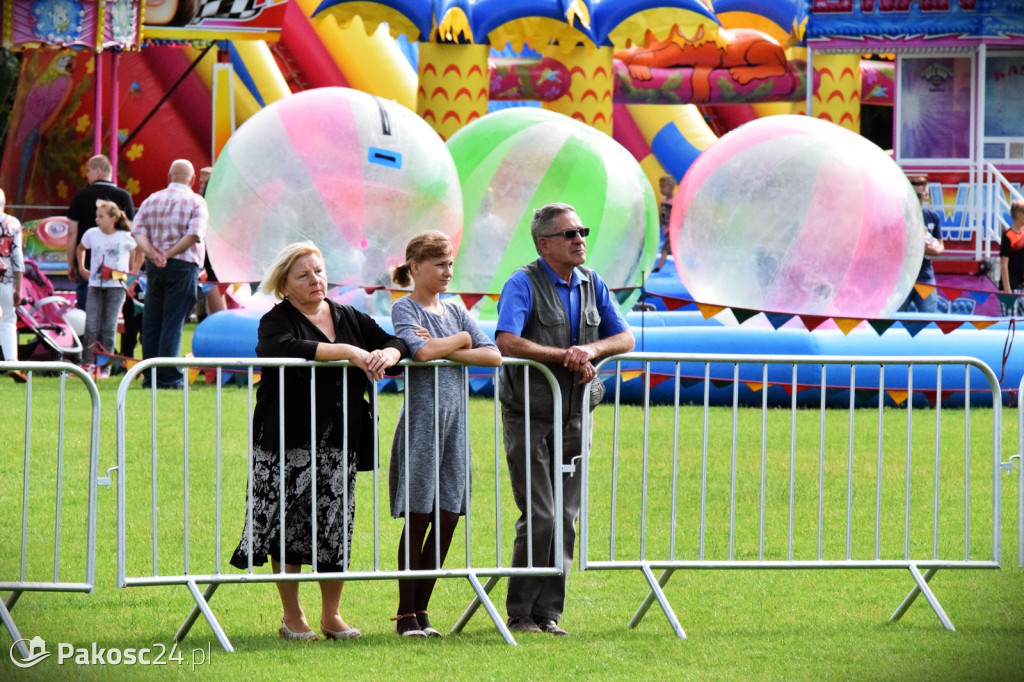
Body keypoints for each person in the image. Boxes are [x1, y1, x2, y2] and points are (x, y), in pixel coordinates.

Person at [229, 241, 409, 641]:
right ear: (284, 284)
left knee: (334, 526)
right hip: (285, 439)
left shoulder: (347, 313)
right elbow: (281, 348)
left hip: (339, 439)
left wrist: (388, 355)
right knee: (284, 526)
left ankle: (332, 616)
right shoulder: (276, 320)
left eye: (320, 270)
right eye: (304, 274)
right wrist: (346, 350)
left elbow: (395, 341)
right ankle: (292, 617)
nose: (315, 280)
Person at [495, 202, 635, 635]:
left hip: (577, 413)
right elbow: (506, 340)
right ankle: (520, 614)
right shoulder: (522, 283)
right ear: (543, 244)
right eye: (570, 234)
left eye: (582, 232)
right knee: (541, 515)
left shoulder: (594, 283)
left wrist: (590, 351)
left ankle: (548, 613)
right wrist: (562, 356)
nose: (580, 240)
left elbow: (624, 336)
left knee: (567, 517)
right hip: (531, 413)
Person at [388, 232, 501, 638]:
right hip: (422, 422)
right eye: (439, 264)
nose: (447, 272)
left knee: (449, 515)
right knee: (419, 515)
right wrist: (460, 340)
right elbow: (419, 353)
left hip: (455, 426)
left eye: (450, 263)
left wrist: (446, 345)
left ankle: (423, 608)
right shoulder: (404, 308)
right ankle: (406, 615)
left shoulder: (456, 308)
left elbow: (493, 354)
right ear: (415, 267)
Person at [132, 159, 208, 389]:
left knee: (152, 320)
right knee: (173, 322)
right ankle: (169, 377)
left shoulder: (151, 199)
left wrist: (154, 254)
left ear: (169, 176)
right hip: (183, 265)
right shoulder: (196, 201)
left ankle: (150, 375)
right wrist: (169, 252)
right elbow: (195, 235)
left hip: (155, 267)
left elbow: (137, 231)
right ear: (193, 179)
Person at [76, 200, 139, 377]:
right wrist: (82, 268)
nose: (97, 220)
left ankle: (105, 366)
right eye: (97, 216)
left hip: (116, 287)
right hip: (96, 284)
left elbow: (138, 251)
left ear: (112, 219)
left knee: (110, 325)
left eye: (101, 216)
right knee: (91, 324)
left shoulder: (125, 236)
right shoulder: (92, 234)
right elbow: (80, 248)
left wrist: (133, 272)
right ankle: (88, 363)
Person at [66, 154, 135, 312]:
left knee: (87, 314)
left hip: (89, 266)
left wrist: (72, 263)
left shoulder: (82, 195)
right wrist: (131, 267)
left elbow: (72, 232)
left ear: (98, 171)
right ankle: (104, 338)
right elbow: (131, 234)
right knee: (110, 316)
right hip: (117, 266)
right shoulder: (124, 196)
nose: (86, 175)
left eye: (89, 171)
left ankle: (89, 337)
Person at [898, 174, 945, 312]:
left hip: (925, 276)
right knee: (897, 321)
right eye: (913, 195)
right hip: (904, 277)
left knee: (929, 320)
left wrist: (924, 247)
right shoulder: (901, 216)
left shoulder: (932, 217)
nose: (916, 200)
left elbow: (940, 247)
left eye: (919, 196)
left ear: (925, 195)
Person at [0, 188, 26, 383]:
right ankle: (12, 362)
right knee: (8, 320)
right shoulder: (13, 223)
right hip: (6, 280)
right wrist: (19, 285)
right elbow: (17, 257)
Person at [999, 200, 1024, 317]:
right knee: (1011, 321)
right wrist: (1007, 289)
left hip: (1021, 286)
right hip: (1011, 287)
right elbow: (1004, 263)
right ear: (1019, 215)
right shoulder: (1008, 236)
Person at [652, 175, 676, 273]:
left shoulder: (674, 201)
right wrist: (661, 223)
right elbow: (662, 213)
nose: (661, 189)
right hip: (666, 230)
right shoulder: (663, 200)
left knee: (664, 250)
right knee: (674, 250)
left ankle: (658, 268)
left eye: (663, 187)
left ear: (671, 188)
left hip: (673, 231)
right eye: (660, 187)